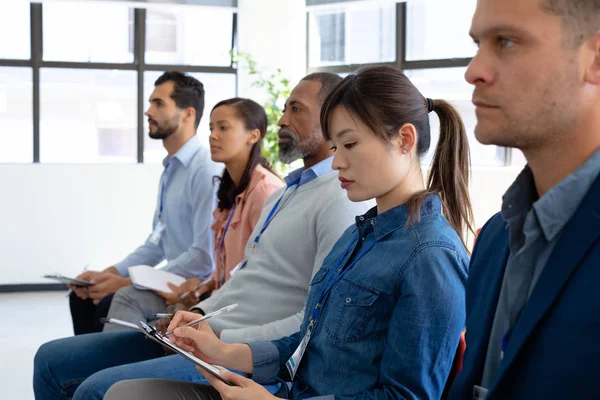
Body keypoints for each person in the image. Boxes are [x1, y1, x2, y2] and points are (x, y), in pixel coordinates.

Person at [104, 65, 475, 400]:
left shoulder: (431, 255)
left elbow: (406, 397)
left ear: (404, 140)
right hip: (285, 389)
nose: (338, 160)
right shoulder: (358, 236)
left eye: (349, 144)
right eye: (335, 145)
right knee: (125, 392)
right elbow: (307, 344)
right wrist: (224, 351)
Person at [33, 72, 371, 400]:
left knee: (97, 388)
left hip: (240, 349)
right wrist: (197, 313)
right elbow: (243, 280)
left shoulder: (338, 198)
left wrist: (223, 340)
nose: (281, 120)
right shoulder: (286, 192)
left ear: (333, 118)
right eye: (283, 109)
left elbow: (314, 320)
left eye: (295, 109)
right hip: (209, 330)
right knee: (50, 360)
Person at [446, 0, 600, 399]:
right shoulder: (495, 238)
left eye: (506, 42)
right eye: (478, 43)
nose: (473, 71)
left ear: (595, 60)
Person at [103, 98, 284, 330]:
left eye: (223, 127)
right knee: (126, 300)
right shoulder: (229, 188)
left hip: (239, 314)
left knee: (130, 299)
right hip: (216, 298)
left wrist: (203, 306)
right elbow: (227, 269)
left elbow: (258, 275)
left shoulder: (265, 191)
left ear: (253, 136)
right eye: (211, 128)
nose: (213, 135)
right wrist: (204, 287)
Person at [67, 71, 220, 335]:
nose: (148, 111)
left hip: (191, 287)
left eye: (159, 104)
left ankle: (106, 376)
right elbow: (156, 243)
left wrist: (128, 281)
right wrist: (108, 273)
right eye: (151, 103)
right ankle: (85, 377)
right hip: (166, 279)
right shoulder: (171, 169)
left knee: (107, 302)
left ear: (188, 114)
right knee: (82, 297)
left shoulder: (204, 170)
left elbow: (202, 258)